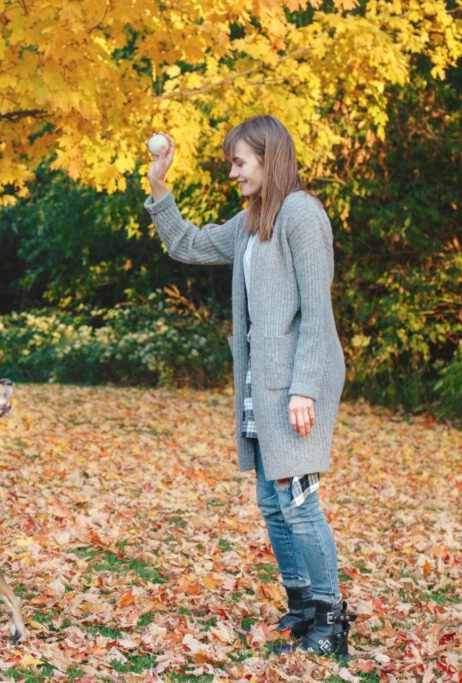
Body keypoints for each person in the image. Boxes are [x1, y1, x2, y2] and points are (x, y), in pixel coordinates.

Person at [143, 115, 356, 657]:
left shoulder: (302, 215)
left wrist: (305, 387)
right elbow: (187, 245)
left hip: (298, 382)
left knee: (297, 500)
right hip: (262, 382)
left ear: (268, 157)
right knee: (271, 500)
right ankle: (305, 605)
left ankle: (332, 624)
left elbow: (317, 309)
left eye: (240, 162)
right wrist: (159, 185)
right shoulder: (249, 222)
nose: (233, 172)